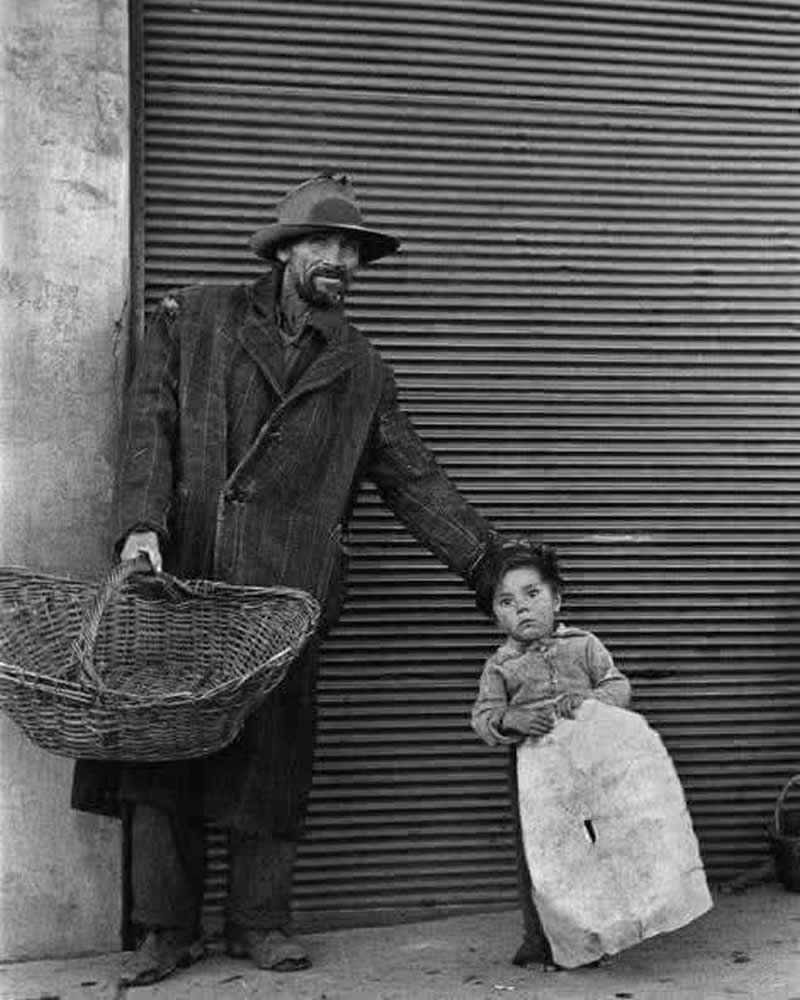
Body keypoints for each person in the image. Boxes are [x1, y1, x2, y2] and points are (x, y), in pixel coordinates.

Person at [70, 171, 506, 987]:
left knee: (272, 757)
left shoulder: (361, 369)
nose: (341, 260)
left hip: (286, 592)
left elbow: (415, 480)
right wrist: (140, 526)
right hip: (183, 573)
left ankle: (258, 923)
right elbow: (148, 424)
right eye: (324, 243)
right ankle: (164, 930)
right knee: (162, 751)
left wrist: (490, 564)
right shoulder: (194, 316)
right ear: (284, 251)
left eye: (353, 250)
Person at [471, 538, 631, 970]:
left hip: (586, 766)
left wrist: (590, 702)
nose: (521, 608)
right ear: (495, 616)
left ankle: (591, 938)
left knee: (589, 848)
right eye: (506, 602)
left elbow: (618, 686)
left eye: (532, 594)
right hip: (533, 774)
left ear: (556, 599)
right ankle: (538, 941)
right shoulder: (500, 665)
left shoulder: (584, 645)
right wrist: (512, 719)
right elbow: (483, 717)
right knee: (538, 857)